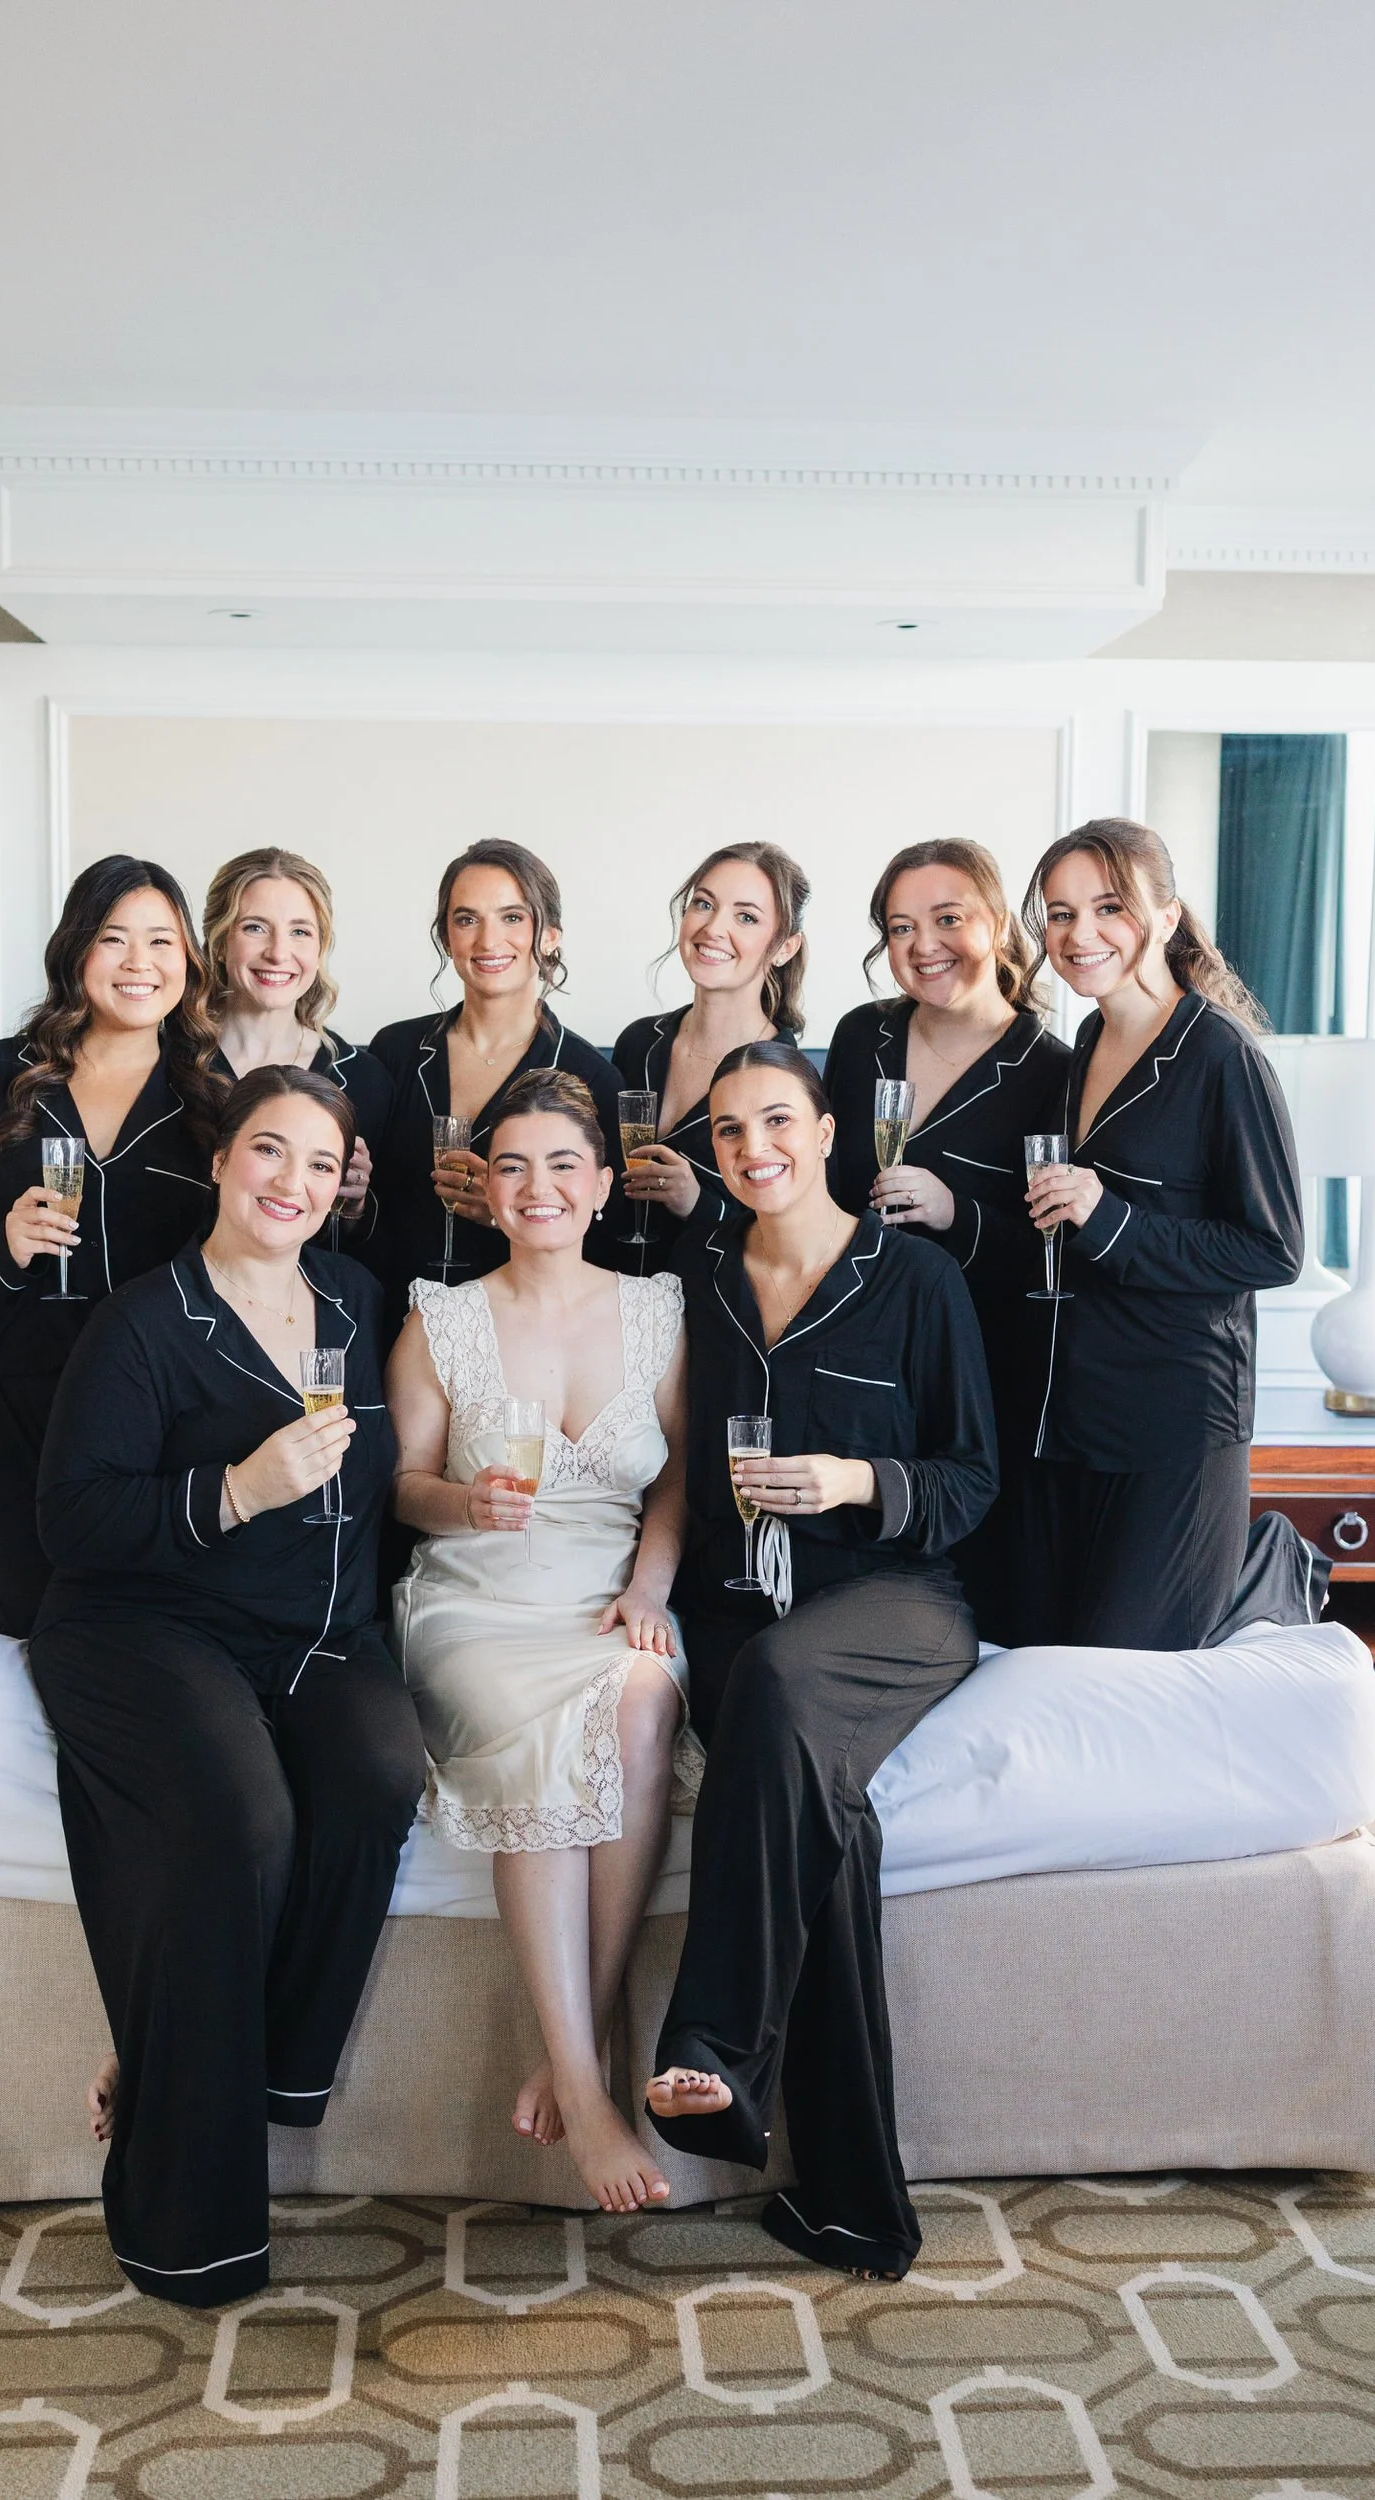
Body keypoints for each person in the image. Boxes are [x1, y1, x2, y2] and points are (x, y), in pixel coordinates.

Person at [31, 1065, 425, 2306]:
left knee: (376, 1776)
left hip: (316, 1638)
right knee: (240, 1825)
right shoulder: (148, 1319)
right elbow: (70, 1517)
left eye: (319, 1164)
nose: (291, 1183)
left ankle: (267, 2069)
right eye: (269, 1151)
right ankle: (183, 2224)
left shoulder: (358, 1302)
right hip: (147, 1626)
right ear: (221, 1162)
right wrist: (237, 1490)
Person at [642, 1041, 997, 2280]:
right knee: (825, 1816)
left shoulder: (915, 1280)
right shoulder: (698, 1278)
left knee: (777, 1689)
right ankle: (852, 2204)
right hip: (746, 1601)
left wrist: (853, 1480)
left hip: (896, 1597)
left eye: (775, 1121)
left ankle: (715, 2043)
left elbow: (970, 1480)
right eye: (728, 1133)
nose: (752, 1150)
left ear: (829, 1128)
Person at [387, 1069, 695, 2213]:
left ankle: (572, 2044)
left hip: (604, 1585)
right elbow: (404, 1488)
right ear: (484, 1186)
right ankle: (586, 2079)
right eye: (510, 1165)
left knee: (641, 1692)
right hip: (472, 1597)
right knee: (536, 1732)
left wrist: (648, 1585)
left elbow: (676, 1485)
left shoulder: (656, 1307)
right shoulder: (442, 1314)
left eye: (563, 1164)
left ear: (603, 1184)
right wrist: (466, 1504)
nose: (538, 1186)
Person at [0, 856, 220, 1636]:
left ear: (189, 961)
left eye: (162, 942)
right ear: (75, 951)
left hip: (149, 1397)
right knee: (38, 1615)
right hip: (4, 1381)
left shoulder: (213, 1096)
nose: (140, 963)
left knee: (116, 1603)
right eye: (114, 939)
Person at [1015, 816, 1303, 1649]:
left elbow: (1270, 1250)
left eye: (1108, 907)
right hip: (1071, 1414)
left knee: (1125, 1674)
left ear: (1167, 916)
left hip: (1174, 1426)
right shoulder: (1087, 1039)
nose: (1079, 934)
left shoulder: (1220, 1058)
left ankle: (1268, 1570)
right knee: (1051, 1664)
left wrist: (1109, 1218)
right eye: (1060, 914)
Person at [822, 839, 1071, 1638]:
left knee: (977, 1606)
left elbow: (1057, 1259)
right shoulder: (862, 1037)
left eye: (947, 919)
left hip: (976, 1378)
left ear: (995, 923)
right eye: (899, 927)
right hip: (853, 1361)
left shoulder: (1052, 1070)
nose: (922, 946)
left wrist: (955, 1215)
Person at [368, 839, 631, 1331]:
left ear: (550, 934)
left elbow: (611, 1237)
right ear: (447, 937)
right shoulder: (395, 1051)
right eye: (467, 919)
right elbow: (366, 1208)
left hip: (518, 1335)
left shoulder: (591, 1077)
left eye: (512, 918)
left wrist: (513, 1213)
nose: (489, 941)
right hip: (389, 1318)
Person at [612, 843, 809, 1272]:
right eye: (703, 904)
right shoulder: (638, 1042)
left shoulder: (792, 1079)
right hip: (610, 1299)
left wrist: (696, 1203)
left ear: (784, 948)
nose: (713, 928)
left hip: (716, 1308)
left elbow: (798, 1235)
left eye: (746, 917)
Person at [200, 844, 393, 1252]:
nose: (278, 952)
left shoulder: (364, 1079)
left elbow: (382, 1243)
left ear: (320, 948)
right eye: (254, 927)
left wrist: (356, 1207)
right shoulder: (168, 1062)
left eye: (300, 932)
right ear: (219, 941)